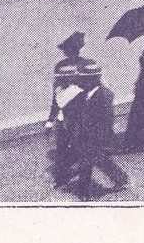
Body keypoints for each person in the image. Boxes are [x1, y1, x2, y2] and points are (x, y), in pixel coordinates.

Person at [62, 58, 128, 200]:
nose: (78, 82)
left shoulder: (103, 96)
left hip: (97, 137)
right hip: (88, 136)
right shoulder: (86, 93)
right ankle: (121, 179)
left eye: (82, 79)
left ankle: (84, 194)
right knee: (101, 161)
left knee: (87, 163)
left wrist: (101, 139)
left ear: (92, 80)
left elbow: (107, 121)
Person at [47, 32, 94, 188]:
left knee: (74, 145)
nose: (68, 52)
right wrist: (51, 118)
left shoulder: (62, 66)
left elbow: (57, 94)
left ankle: (68, 178)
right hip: (74, 113)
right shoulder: (88, 64)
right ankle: (65, 176)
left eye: (69, 49)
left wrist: (51, 117)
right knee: (67, 145)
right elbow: (58, 94)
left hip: (76, 113)